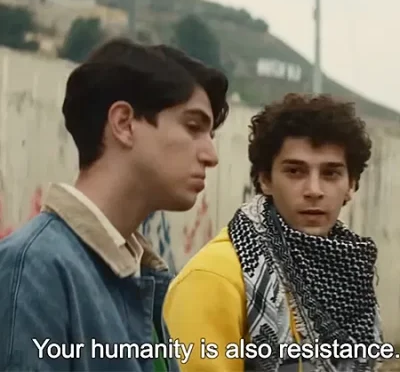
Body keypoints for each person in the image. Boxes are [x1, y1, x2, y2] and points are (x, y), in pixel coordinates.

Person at [0, 38, 229, 372]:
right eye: (193, 127)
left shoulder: (143, 276)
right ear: (123, 123)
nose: (211, 155)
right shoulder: (34, 269)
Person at [163, 93, 383, 372]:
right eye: (295, 171)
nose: (314, 190)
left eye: (330, 173)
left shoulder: (351, 268)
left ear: (351, 185)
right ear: (265, 179)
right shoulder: (214, 278)